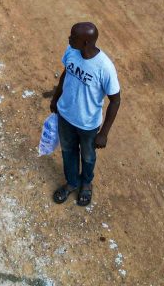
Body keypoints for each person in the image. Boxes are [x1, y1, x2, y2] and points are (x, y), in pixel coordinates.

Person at [48, 22, 121, 208]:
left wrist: (104, 133)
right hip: (65, 116)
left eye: (73, 37)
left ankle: (86, 184)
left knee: (88, 156)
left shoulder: (104, 67)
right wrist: (56, 98)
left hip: (87, 124)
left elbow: (115, 100)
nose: (69, 39)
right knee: (68, 152)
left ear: (86, 42)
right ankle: (72, 182)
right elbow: (66, 73)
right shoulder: (71, 51)